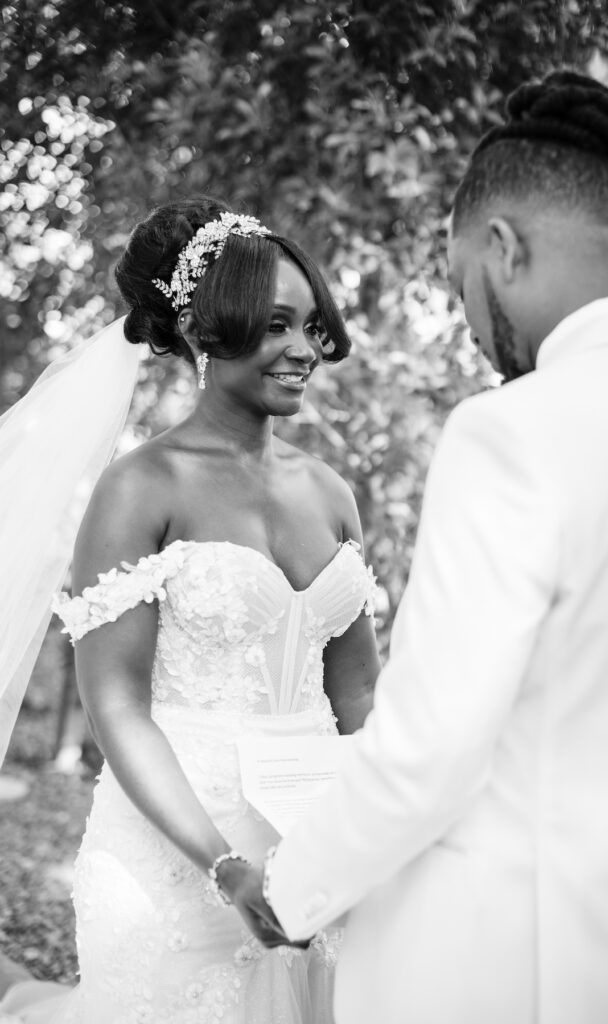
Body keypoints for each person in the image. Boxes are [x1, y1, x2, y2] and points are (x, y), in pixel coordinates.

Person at [234, 71, 608, 1024]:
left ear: (503, 247)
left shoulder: (513, 433)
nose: (478, 337)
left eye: (462, 291)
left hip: (504, 964)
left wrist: (292, 889)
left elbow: (428, 749)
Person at [0, 198, 380, 1023]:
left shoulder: (331, 493)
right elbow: (118, 708)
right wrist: (224, 866)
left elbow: (357, 700)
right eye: (275, 324)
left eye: (310, 326)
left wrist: (372, 834)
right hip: (177, 864)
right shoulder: (141, 488)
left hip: (316, 854)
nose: (301, 350)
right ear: (209, 332)